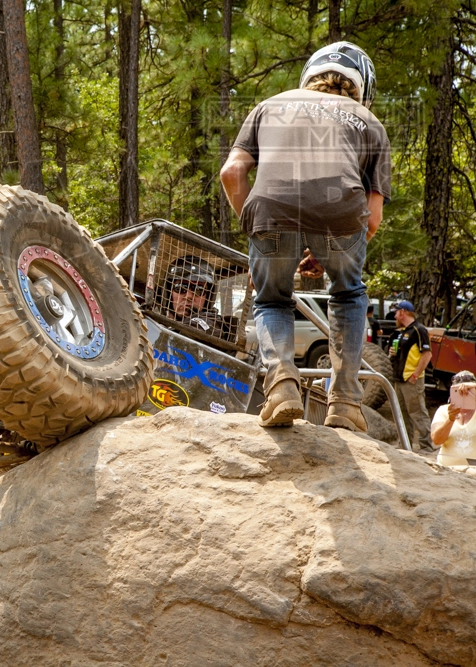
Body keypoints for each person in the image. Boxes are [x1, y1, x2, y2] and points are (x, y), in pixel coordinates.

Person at [220, 41, 391, 432]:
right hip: (342, 212)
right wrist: (328, 246)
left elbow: (232, 172)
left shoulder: (269, 105)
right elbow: (373, 217)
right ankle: (346, 402)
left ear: (309, 75)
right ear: (361, 85)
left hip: (269, 210)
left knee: (271, 300)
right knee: (348, 293)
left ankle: (281, 385)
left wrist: (256, 231)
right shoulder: (369, 122)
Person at [389, 300, 433, 450]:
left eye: (396, 312)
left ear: (403, 312)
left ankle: (426, 445)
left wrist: (416, 375)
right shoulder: (401, 332)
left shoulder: (419, 330)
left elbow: (427, 354)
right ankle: (405, 444)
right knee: (401, 413)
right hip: (399, 378)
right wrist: (392, 354)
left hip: (411, 379)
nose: (394, 315)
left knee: (418, 412)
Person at [163, 256, 230, 340]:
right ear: (169, 292)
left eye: (199, 290)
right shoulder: (156, 319)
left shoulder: (212, 324)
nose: (189, 296)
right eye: (180, 288)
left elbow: (193, 332)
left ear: (208, 297)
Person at [431, 371, 476, 468]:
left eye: (469, 391)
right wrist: (450, 419)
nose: (464, 393)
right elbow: (437, 441)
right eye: (458, 391)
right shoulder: (443, 410)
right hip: (446, 468)